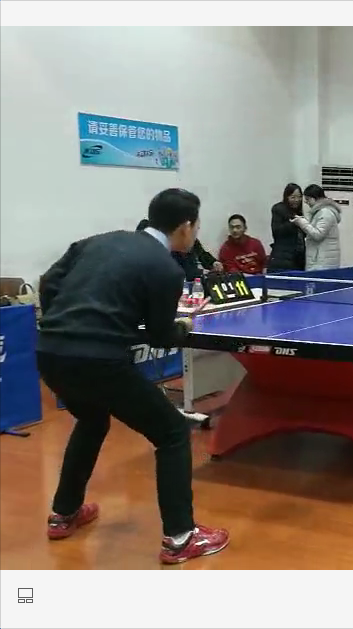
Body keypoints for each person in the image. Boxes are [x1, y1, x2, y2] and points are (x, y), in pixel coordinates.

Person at [36, 188, 230, 564]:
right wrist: (184, 327)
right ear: (186, 227)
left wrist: (68, 322)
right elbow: (160, 335)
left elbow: (49, 282)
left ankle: (63, 514)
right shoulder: (166, 268)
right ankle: (180, 538)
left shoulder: (95, 242)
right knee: (172, 432)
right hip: (99, 361)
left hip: (50, 351)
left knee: (92, 420)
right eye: (197, 225)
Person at [136, 218, 222, 281]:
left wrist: (213, 263)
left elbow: (202, 254)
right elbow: (179, 271)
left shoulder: (191, 240)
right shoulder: (168, 244)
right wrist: (201, 273)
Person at [293, 184, 341, 271]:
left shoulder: (325, 213)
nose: (306, 202)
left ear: (315, 198)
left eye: (307, 199)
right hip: (321, 259)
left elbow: (318, 235)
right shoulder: (321, 212)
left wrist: (302, 223)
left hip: (322, 262)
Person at [267, 183, 306, 272]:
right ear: (286, 197)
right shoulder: (278, 209)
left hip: (298, 258)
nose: (297, 200)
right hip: (283, 257)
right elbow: (276, 232)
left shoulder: (299, 212)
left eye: (299, 197)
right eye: (293, 197)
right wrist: (294, 223)